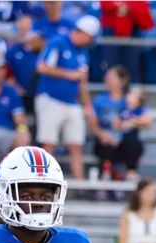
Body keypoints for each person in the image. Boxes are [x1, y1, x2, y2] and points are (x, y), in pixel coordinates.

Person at [35, 15, 99, 181]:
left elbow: (82, 80)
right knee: (49, 144)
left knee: (76, 145)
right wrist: (69, 75)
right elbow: (42, 67)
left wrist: (88, 106)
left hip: (72, 102)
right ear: (83, 33)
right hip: (51, 99)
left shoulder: (83, 51)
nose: (90, 42)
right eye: (90, 38)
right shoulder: (58, 42)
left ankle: (80, 185)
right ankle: (45, 183)